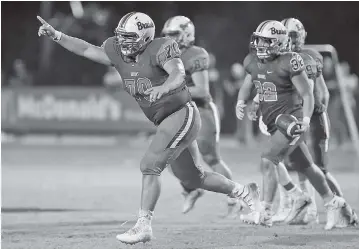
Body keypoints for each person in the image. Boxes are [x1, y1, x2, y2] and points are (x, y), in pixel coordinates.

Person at [37, 12, 259, 245]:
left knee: (150, 165)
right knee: (194, 178)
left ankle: (143, 225)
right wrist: (58, 36)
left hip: (182, 113)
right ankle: (245, 192)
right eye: (121, 36)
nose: (123, 42)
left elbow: (177, 73)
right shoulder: (116, 51)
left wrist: (164, 88)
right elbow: (85, 49)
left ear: (145, 38)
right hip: (165, 119)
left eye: (129, 37)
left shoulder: (160, 48)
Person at [236, 20, 354, 230]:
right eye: (260, 40)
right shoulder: (253, 61)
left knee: (268, 160)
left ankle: (265, 211)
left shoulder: (290, 61)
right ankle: (334, 203)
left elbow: (308, 94)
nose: (261, 45)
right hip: (272, 121)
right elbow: (254, 85)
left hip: (290, 120)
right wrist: (244, 102)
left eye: (267, 41)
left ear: (280, 43)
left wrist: (306, 120)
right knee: (307, 166)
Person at [268, 18, 358, 226]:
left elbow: (320, 93)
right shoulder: (284, 59)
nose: (289, 40)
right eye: (286, 36)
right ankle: (309, 212)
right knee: (302, 166)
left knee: (320, 170)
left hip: (313, 119)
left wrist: (317, 115)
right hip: (299, 120)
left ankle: (346, 210)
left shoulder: (307, 57)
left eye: (292, 36)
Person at [161, 15, 241, 217]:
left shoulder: (195, 54)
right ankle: (191, 188)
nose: (169, 39)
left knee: (211, 158)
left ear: (187, 35)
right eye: (168, 35)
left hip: (201, 110)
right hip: (180, 113)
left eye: (174, 35)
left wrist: (170, 89)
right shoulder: (166, 56)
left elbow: (202, 91)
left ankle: (236, 198)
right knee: (168, 156)